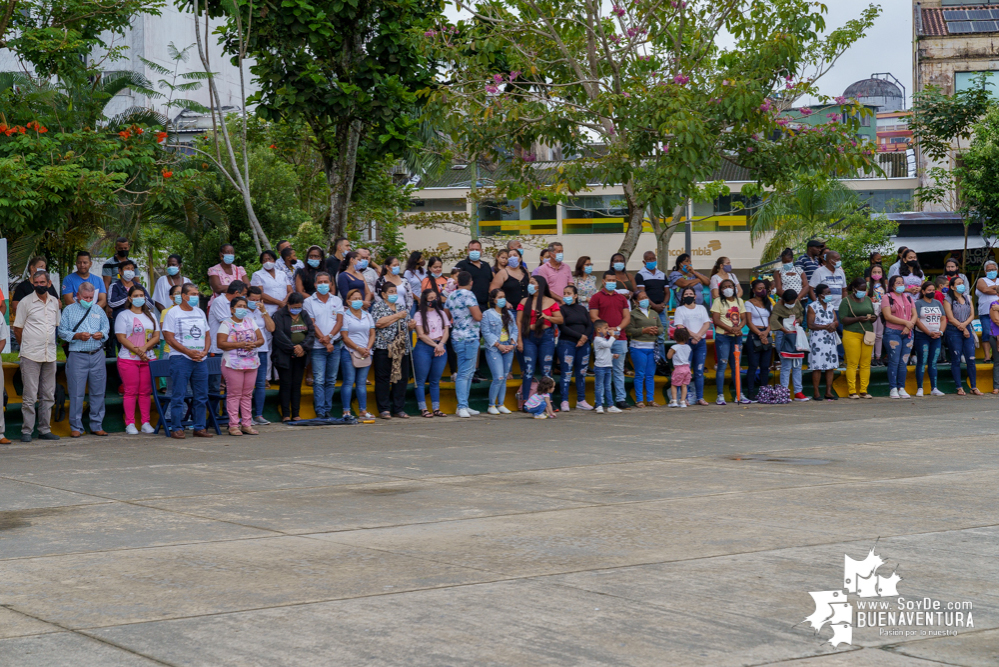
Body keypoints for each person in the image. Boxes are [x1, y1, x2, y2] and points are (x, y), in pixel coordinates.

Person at [12, 270, 61, 442]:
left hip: (50, 355)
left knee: (48, 395)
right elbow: (17, 329)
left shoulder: (55, 302)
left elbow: (56, 326)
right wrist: (27, 345)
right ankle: (27, 431)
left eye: (42, 282)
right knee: (30, 396)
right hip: (30, 355)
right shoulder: (25, 302)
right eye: (36, 283)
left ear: (49, 284)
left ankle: (44, 430)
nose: (39, 285)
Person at [58, 281, 110, 437]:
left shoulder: (98, 310)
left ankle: (96, 425)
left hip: (97, 354)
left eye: (91, 298)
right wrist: (77, 336)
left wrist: (102, 334)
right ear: (78, 296)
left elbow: (106, 328)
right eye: (85, 297)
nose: (88, 300)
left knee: (98, 392)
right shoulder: (68, 311)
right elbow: (61, 332)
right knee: (76, 392)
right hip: (77, 355)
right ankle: (76, 427)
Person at [162, 284, 213, 439]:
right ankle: (176, 427)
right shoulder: (173, 313)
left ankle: (199, 427)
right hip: (180, 358)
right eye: (192, 294)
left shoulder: (200, 312)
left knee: (201, 394)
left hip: (200, 359)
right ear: (184, 296)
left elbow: (207, 335)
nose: (196, 297)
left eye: (197, 294)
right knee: (179, 394)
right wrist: (187, 352)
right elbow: (169, 337)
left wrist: (205, 351)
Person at [115, 286, 160, 434]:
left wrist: (144, 349)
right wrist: (138, 351)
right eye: (136, 295)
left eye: (142, 295)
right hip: (128, 359)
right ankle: (130, 423)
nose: (139, 298)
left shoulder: (151, 316)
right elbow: (121, 337)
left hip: (148, 358)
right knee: (130, 391)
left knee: (145, 392)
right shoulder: (123, 315)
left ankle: (145, 422)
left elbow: (156, 336)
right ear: (129, 298)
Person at [216, 295, 264, 435]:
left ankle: (247, 424)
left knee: (247, 394)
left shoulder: (250, 321)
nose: (242, 309)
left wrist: (253, 344)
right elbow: (221, 344)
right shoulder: (226, 324)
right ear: (232, 309)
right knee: (234, 394)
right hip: (233, 363)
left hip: (251, 362)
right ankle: (233, 425)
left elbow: (261, 339)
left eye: (244, 306)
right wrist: (240, 344)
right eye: (239, 306)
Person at [303, 272, 343, 418]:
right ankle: (319, 410)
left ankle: (327, 409)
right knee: (319, 379)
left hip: (335, 344)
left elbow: (339, 322)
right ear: (315, 284)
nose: (323, 284)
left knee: (331, 379)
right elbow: (311, 324)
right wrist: (325, 341)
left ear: (331, 284)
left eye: (326, 281)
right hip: (317, 346)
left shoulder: (336, 300)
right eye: (320, 282)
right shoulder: (309, 302)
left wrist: (330, 338)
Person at [371, 281, 413, 419]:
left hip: (401, 348)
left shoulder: (401, 307)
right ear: (383, 294)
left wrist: (411, 325)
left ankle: (398, 408)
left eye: (395, 292)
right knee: (383, 378)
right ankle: (384, 409)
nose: (394, 294)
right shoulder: (378, 306)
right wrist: (397, 317)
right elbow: (379, 323)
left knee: (401, 378)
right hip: (384, 347)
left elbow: (406, 323)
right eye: (391, 292)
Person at [589, 271, 631, 410]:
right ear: (604, 281)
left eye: (614, 280)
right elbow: (594, 316)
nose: (612, 282)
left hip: (620, 338)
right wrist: (606, 330)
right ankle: (599, 401)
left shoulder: (622, 298)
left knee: (618, 370)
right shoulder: (596, 297)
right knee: (601, 372)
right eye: (609, 279)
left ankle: (620, 399)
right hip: (602, 340)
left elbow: (627, 317)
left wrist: (617, 329)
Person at [446, 271, 483, 418]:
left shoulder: (451, 296)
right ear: (471, 282)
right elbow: (477, 316)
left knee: (466, 372)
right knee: (464, 373)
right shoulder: (469, 295)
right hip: (469, 337)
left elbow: (446, 316)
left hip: (457, 336)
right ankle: (461, 405)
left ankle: (464, 404)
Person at [271, 292, 314, 421]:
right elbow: (278, 334)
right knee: (286, 384)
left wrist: (302, 347)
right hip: (284, 355)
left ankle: (296, 413)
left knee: (296, 385)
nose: (296, 309)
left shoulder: (304, 314)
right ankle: (285, 414)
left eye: (299, 306)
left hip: (301, 355)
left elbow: (311, 333)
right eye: (294, 306)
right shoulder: (279, 315)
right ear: (288, 304)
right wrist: (293, 348)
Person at [413, 288, 451, 418]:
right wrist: (436, 345)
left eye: (435, 298)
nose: (433, 301)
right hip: (424, 347)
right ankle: (423, 408)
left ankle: (436, 408)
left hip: (440, 346)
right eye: (430, 298)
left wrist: (441, 344)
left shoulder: (441, 313)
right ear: (425, 300)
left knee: (435, 380)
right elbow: (421, 334)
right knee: (421, 380)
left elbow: (446, 330)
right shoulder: (418, 315)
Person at [339, 289, 376, 420]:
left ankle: (362, 411)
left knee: (361, 383)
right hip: (349, 352)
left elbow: (372, 333)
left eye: (359, 298)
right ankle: (346, 411)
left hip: (366, 352)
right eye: (354, 299)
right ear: (348, 301)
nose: (357, 301)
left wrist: (368, 348)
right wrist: (358, 348)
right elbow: (344, 336)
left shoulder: (367, 315)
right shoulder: (345, 316)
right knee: (349, 381)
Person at [557, 284, 594, 411]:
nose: (566, 296)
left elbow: (589, 325)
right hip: (567, 343)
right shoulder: (561, 309)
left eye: (569, 293)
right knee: (566, 372)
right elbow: (563, 327)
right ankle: (564, 400)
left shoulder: (582, 309)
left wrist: (584, 338)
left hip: (583, 345)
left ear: (575, 295)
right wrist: (580, 336)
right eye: (564, 293)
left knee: (582, 373)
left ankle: (581, 400)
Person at [672, 286, 711, 406]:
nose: (688, 296)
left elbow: (707, 323)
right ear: (683, 297)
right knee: (685, 371)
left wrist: (698, 336)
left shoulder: (701, 308)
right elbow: (679, 325)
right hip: (686, 343)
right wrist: (694, 336)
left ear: (695, 296)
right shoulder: (680, 310)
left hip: (700, 343)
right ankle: (685, 398)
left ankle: (700, 397)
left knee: (699, 371)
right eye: (686, 294)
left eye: (690, 294)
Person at [944, 275, 982, 396]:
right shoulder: (948, 299)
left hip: (967, 329)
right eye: (958, 283)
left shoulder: (967, 297)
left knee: (971, 359)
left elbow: (972, 314)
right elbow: (950, 317)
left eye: (962, 283)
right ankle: (959, 387)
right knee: (956, 359)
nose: (961, 285)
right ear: (952, 287)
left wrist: (965, 326)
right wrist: (962, 327)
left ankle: (974, 386)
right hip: (953, 330)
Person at [710, 278, 747, 405]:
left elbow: (744, 318)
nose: (728, 289)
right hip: (723, 337)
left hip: (737, 337)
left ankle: (739, 394)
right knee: (722, 365)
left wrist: (739, 328)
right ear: (721, 290)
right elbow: (716, 320)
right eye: (724, 287)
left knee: (736, 366)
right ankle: (720, 395)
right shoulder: (718, 301)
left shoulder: (739, 301)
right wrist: (731, 329)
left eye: (730, 286)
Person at [839, 277, 877, 399]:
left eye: (864, 289)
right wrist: (858, 319)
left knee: (866, 363)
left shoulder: (867, 299)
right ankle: (852, 391)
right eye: (860, 289)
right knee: (852, 363)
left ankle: (864, 390)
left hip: (867, 333)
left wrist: (873, 317)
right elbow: (843, 319)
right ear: (854, 289)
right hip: (851, 333)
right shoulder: (846, 301)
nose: (863, 292)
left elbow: (874, 314)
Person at [482, 288, 517, 415]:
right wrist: (498, 344)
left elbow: (514, 330)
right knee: (498, 377)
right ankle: (491, 404)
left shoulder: (509, 314)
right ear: (493, 299)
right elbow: (486, 332)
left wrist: (513, 343)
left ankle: (501, 403)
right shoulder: (487, 314)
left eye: (504, 297)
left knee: (504, 377)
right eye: (500, 297)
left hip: (508, 347)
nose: (502, 299)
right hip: (494, 348)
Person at [770, 289, 809, 402]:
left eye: (793, 301)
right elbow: (773, 321)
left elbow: (801, 314)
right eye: (789, 302)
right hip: (784, 337)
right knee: (786, 366)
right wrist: (784, 329)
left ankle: (798, 392)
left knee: (798, 365)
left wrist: (798, 320)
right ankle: (784, 392)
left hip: (796, 335)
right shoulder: (778, 307)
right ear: (784, 300)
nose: (792, 304)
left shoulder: (796, 302)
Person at [883, 275, 917, 399]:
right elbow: (887, 316)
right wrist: (905, 323)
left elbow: (914, 314)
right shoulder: (887, 297)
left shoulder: (908, 297)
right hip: (893, 332)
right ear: (892, 285)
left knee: (904, 361)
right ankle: (893, 388)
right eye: (898, 283)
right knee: (894, 360)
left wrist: (909, 325)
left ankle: (901, 387)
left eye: (902, 283)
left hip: (908, 332)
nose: (900, 285)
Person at [246, 287, 277, 424]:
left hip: (262, 350)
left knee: (260, 383)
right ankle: (246, 416)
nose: (255, 302)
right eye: (252, 299)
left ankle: (259, 415)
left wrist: (264, 311)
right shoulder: (242, 310)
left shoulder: (262, 311)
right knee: (247, 385)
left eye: (257, 300)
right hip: (246, 350)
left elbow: (271, 328)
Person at [625, 290, 660, 408]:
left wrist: (656, 330)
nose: (645, 299)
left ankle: (650, 399)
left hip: (651, 347)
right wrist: (643, 330)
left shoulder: (654, 312)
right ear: (635, 301)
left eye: (646, 297)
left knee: (650, 374)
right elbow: (629, 331)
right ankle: (639, 399)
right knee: (640, 374)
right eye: (641, 298)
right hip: (638, 347)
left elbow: (661, 327)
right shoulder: (633, 314)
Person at [913, 280, 947, 397]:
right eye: (929, 290)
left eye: (933, 290)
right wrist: (928, 332)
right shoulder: (918, 303)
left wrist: (940, 332)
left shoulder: (938, 303)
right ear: (923, 291)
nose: (932, 292)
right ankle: (920, 388)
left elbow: (943, 318)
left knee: (933, 362)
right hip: (922, 336)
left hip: (936, 336)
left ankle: (934, 388)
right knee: (922, 361)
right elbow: (916, 320)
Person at [634, 251, 669, 360]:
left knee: (661, 337)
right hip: (648, 310)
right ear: (644, 261)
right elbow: (642, 293)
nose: (651, 261)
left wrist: (663, 304)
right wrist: (654, 306)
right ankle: (653, 361)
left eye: (653, 258)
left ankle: (661, 362)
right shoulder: (640, 275)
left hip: (661, 310)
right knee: (649, 336)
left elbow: (667, 292)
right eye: (648, 259)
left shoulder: (662, 275)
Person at [807, 284, 839, 401]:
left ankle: (828, 392)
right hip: (818, 339)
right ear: (820, 295)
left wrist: (833, 324)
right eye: (827, 293)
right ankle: (816, 392)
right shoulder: (812, 306)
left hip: (830, 338)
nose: (830, 295)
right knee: (817, 366)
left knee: (830, 366)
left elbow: (836, 321)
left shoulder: (831, 306)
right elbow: (811, 324)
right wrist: (826, 326)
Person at [743, 279, 773, 402]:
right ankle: (751, 392)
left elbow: (772, 320)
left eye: (764, 288)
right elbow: (749, 322)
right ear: (754, 290)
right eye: (759, 288)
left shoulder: (768, 303)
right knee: (753, 365)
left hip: (767, 333)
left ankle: (764, 392)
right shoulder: (749, 303)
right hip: (755, 335)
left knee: (765, 366)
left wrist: (766, 333)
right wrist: (760, 334)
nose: (762, 291)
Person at [107, 259, 150, 324]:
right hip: (120, 320)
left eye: (132, 270)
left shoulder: (138, 286)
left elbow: (150, 304)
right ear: (120, 271)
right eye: (127, 269)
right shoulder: (115, 286)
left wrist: (140, 299)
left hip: (138, 320)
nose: (130, 272)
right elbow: (112, 303)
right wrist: (129, 294)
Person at [251, 249, 293, 315]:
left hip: (284, 308)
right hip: (268, 310)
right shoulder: (257, 275)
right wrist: (279, 302)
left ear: (275, 260)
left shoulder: (282, 274)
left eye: (270, 259)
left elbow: (290, 291)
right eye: (264, 260)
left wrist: (283, 303)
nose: (267, 262)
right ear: (261, 262)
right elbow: (259, 294)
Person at [490, 248, 530, 314]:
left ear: (520, 258)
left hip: (525, 309)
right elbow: (493, 290)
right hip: (510, 310)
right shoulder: (503, 273)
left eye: (515, 255)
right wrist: (505, 302)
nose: (512, 258)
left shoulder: (525, 271)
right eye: (510, 256)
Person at [591, 321, 619, 414]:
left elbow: (604, 352)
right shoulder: (597, 340)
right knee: (599, 386)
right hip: (600, 367)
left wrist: (612, 355)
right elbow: (608, 345)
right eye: (606, 328)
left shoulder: (604, 340)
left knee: (608, 386)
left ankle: (610, 405)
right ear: (599, 330)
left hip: (607, 366)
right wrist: (612, 337)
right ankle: (599, 405)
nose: (608, 330)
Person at [667, 327, 692, 408]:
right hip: (687, 368)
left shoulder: (675, 347)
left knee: (674, 384)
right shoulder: (688, 347)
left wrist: (669, 351)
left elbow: (669, 357)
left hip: (678, 368)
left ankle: (674, 400)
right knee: (684, 385)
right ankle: (682, 401)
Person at [868, 264, 887, 365]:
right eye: (874, 272)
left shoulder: (885, 286)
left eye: (879, 272)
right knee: (872, 334)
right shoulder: (868, 285)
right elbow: (865, 298)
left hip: (882, 312)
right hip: (872, 312)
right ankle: (871, 357)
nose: (876, 274)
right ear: (870, 274)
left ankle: (878, 356)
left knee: (879, 335)